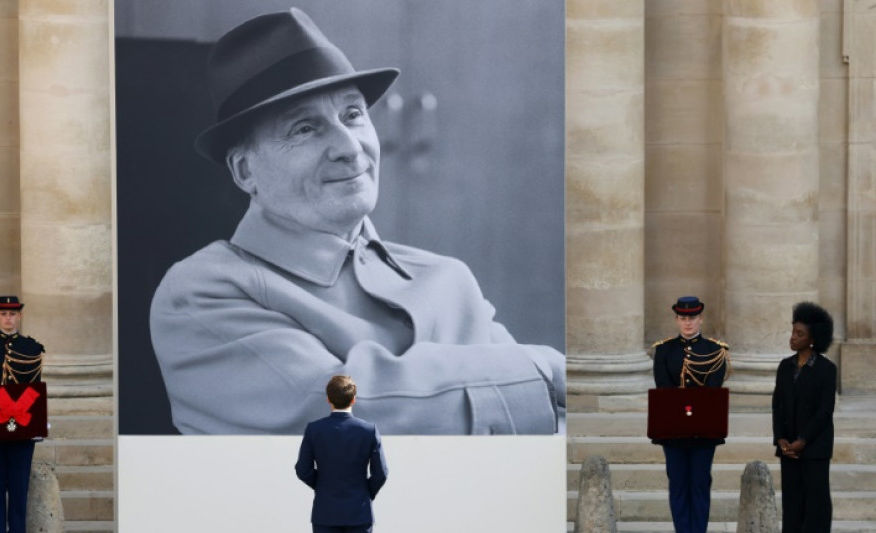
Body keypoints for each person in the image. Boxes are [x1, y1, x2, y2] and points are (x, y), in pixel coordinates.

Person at [149, 8, 566, 435]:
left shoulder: (448, 279)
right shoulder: (200, 293)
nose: (350, 148)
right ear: (245, 172)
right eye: (306, 128)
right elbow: (331, 410)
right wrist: (541, 367)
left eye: (352, 114)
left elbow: (552, 423)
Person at [651, 296, 730, 533]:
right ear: (676, 319)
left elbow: (712, 391)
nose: (688, 323)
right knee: (678, 485)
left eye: (692, 318)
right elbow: (664, 389)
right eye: (683, 318)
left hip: (703, 429)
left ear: (701, 318)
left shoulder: (715, 351)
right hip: (673, 430)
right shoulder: (664, 351)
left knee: (699, 483)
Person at [0, 295, 45, 533]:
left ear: (19, 316)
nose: (8, 318)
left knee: (18, 489)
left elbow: (33, 393)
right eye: (3, 314)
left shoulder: (32, 348)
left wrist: (33, 424)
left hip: (21, 429)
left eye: (12, 314)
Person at [772, 302, 836, 532]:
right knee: (792, 504)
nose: (792, 338)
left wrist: (803, 440)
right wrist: (781, 439)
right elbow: (777, 406)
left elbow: (824, 411)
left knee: (816, 505)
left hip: (814, 448)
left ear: (813, 339)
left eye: (799, 334)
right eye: (792, 331)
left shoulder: (827, 370)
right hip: (788, 448)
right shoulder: (784, 367)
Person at [296, 375, 387, 533]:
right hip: (359, 512)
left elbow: (303, 470)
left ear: (328, 400)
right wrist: (365, 492)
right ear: (353, 399)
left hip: (325, 513)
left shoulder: (314, 429)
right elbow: (381, 473)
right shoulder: (369, 430)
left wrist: (323, 485)